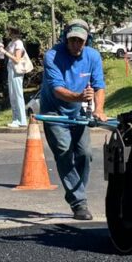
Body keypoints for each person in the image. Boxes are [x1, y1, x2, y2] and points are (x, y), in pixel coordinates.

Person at [39, 19, 106, 221]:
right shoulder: (52, 56)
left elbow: (99, 86)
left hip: (77, 113)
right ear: (65, 39)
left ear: (87, 41)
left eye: (80, 41)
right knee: (64, 152)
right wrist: (80, 97)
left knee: (85, 154)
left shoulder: (93, 56)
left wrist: (99, 109)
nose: (76, 44)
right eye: (72, 40)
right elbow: (58, 90)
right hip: (54, 113)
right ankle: (79, 203)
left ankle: (76, 193)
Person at [0, 28, 28, 127]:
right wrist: (1, 48)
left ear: (14, 33)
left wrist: (5, 52)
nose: (8, 34)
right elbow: (3, 55)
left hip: (16, 71)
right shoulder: (11, 43)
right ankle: (15, 119)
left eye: (9, 32)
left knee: (18, 94)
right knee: (12, 95)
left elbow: (17, 59)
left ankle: (22, 120)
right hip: (10, 69)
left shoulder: (18, 43)